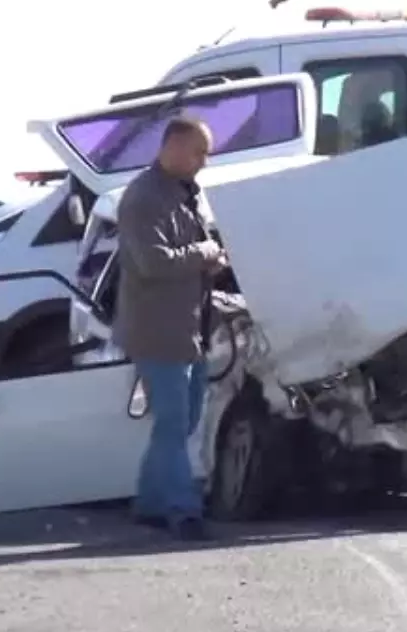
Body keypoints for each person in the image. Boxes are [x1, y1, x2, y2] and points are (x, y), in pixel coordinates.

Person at [115, 116, 227, 540]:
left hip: (188, 327)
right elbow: (153, 261)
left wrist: (209, 259)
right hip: (158, 330)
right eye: (200, 152)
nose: (204, 162)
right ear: (174, 146)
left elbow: (187, 254)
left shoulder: (183, 194)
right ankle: (184, 511)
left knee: (180, 421)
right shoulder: (144, 198)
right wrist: (205, 252)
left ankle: (149, 503)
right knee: (174, 422)